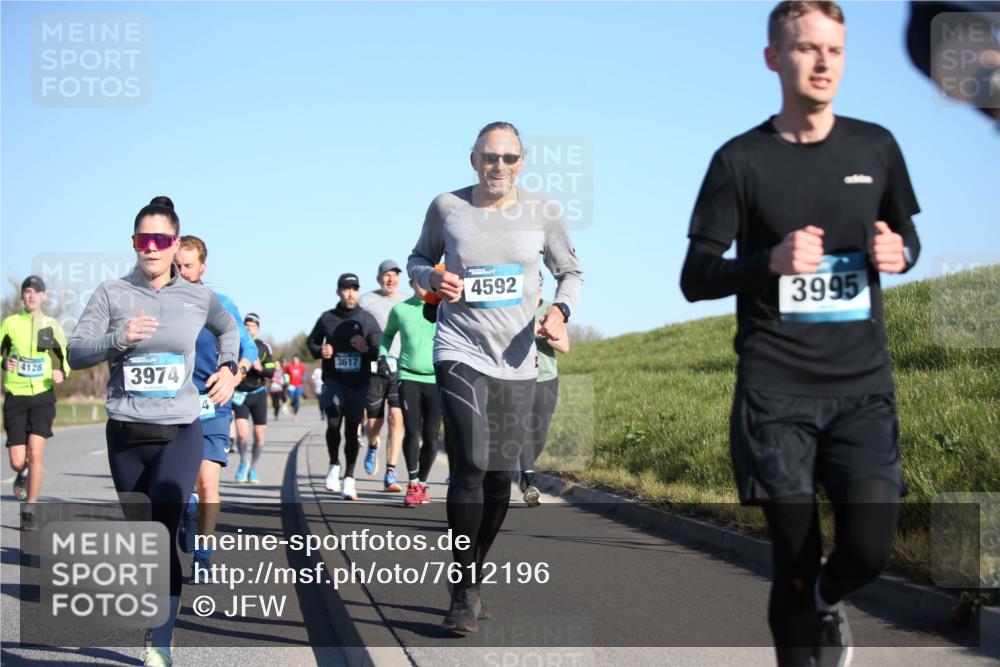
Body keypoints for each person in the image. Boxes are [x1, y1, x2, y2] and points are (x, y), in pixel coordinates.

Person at [679, 3, 921, 665]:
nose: (822, 63)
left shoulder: (877, 147)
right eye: (807, 48)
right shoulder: (739, 160)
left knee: (869, 549)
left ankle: (825, 598)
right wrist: (769, 263)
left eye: (835, 50)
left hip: (861, 389)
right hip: (776, 391)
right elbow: (695, 276)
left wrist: (901, 253)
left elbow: (908, 240)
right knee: (793, 553)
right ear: (773, 58)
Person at [408, 121, 583, 633]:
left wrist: (561, 313)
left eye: (508, 159)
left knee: (500, 481)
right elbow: (418, 257)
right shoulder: (447, 207)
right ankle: (462, 592)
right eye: (489, 158)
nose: (498, 167)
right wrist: (431, 278)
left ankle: (471, 573)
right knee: (472, 462)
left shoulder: (543, 212)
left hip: (517, 357)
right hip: (458, 349)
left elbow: (569, 272)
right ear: (473, 160)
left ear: (521, 162)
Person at [68, 199, 241, 667]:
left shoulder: (197, 297)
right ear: (134, 243)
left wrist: (228, 369)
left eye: (161, 240)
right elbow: (76, 351)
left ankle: (160, 642)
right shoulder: (111, 293)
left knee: (161, 534)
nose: (152, 248)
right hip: (126, 432)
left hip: (180, 429)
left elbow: (230, 333)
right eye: (143, 239)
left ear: (174, 244)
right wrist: (118, 338)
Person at [174, 232, 258, 583]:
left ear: (202, 267)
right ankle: (185, 514)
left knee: (208, 483)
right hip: (172, 409)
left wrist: (233, 376)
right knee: (179, 490)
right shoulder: (158, 304)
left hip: (212, 406)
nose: (182, 272)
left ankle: (204, 557)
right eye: (176, 266)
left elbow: (249, 351)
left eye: (188, 266)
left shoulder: (220, 303)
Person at [1, 275, 70, 531]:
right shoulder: (10, 323)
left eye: (36, 292)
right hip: (16, 396)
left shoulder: (51, 325)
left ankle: (29, 509)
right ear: (22, 295)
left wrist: (62, 372)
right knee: (18, 461)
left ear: (43, 296)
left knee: (36, 452)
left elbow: (65, 357)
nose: (31, 296)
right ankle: (22, 474)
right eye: (27, 291)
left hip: (42, 395)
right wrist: (2, 363)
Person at [307, 273, 382, 501]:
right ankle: (333, 465)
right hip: (334, 380)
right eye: (346, 289)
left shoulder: (367, 320)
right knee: (332, 419)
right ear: (338, 291)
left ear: (358, 292)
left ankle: (349, 478)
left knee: (352, 431)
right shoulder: (327, 318)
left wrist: (364, 350)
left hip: (358, 384)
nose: (351, 293)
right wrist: (321, 351)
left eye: (354, 289)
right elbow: (311, 342)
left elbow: (378, 350)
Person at [378, 277, 440, 508]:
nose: (424, 286)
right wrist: (382, 357)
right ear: (412, 282)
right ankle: (413, 482)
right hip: (408, 377)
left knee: (431, 437)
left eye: (429, 282)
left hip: (436, 378)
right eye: (420, 281)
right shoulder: (400, 310)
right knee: (412, 431)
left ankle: (422, 483)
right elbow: (386, 336)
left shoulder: (443, 308)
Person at [358, 260, 408, 491]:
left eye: (395, 275)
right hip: (375, 366)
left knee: (397, 417)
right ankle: (373, 444)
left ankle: (391, 471)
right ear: (379, 278)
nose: (391, 279)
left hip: (401, 366)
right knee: (374, 422)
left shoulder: (408, 300)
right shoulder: (366, 301)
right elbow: (355, 327)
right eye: (387, 275)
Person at [520, 273, 570, 508]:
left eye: (536, 284)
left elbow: (564, 346)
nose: (533, 288)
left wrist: (542, 333)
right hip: (518, 379)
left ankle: (525, 469)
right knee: (521, 431)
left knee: (538, 435)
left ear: (541, 286)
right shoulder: (512, 309)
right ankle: (530, 482)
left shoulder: (551, 310)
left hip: (546, 379)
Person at [232, 313, 275, 484]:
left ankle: (254, 468)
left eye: (253, 325)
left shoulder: (263, 347)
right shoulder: (236, 344)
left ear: (258, 329)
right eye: (246, 325)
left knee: (259, 435)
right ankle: (243, 462)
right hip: (240, 395)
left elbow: (271, 372)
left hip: (258, 395)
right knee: (242, 435)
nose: (249, 328)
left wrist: (260, 368)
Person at [284, 354, 307, 422]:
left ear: (298, 360)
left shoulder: (301, 366)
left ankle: (295, 413)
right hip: (291, 385)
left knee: (297, 400)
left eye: (296, 359)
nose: (295, 360)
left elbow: (304, 374)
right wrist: (286, 381)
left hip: (298, 385)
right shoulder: (289, 366)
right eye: (294, 359)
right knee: (292, 398)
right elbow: (286, 374)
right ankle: (293, 409)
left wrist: (304, 378)